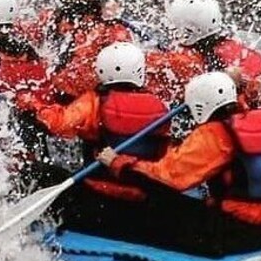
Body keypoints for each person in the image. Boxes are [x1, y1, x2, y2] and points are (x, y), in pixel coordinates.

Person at [97, 71, 261, 257]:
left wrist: (118, 162)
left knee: (158, 204)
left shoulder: (215, 134)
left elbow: (169, 177)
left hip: (233, 234)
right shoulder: (253, 123)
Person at [18, 42, 171, 237]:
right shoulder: (160, 107)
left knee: (36, 172)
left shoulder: (94, 102)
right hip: (144, 197)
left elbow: (58, 124)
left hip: (97, 195)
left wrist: (34, 104)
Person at [20, 0, 134, 102]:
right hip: (51, 98)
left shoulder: (110, 30)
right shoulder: (53, 17)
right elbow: (27, 35)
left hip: (81, 104)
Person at [145, 0, 261, 105]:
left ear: (188, 32)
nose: (168, 28)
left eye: (172, 25)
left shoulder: (182, 63)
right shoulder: (237, 51)